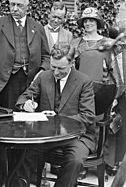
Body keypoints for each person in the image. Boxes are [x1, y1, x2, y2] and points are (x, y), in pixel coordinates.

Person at [16, 43, 96, 187]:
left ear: (72, 63)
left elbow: (88, 116)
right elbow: (24, 97)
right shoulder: (44, 77)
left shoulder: (84, 82)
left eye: (61, 68)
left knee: (75, 161)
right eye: (53, 67)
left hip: (77, 136)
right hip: (46, 135)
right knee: (20, 150)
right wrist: (26, 104)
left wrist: (59, 120)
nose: (56, 72)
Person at [72, 7, 125, 177]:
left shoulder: (109, 42)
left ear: (98, 23)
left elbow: (119, 63)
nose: (88, 23)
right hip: (81, 91)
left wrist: (115, 43)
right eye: (85, 21)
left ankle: (107, 162)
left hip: (104, 91)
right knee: (83, 126)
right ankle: (83, 163)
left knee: (106, 126)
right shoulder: (76, 43)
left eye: (92, 21)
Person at [0, 0, 50, 111]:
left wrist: (41, 72)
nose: (14, 9)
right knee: (6, 116)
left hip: (30, 80)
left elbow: (46, 56)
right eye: (12, 4)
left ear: (27, 6)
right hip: (6, 81)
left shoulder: (38, 27)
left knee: (28, 116)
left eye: (19, 5)